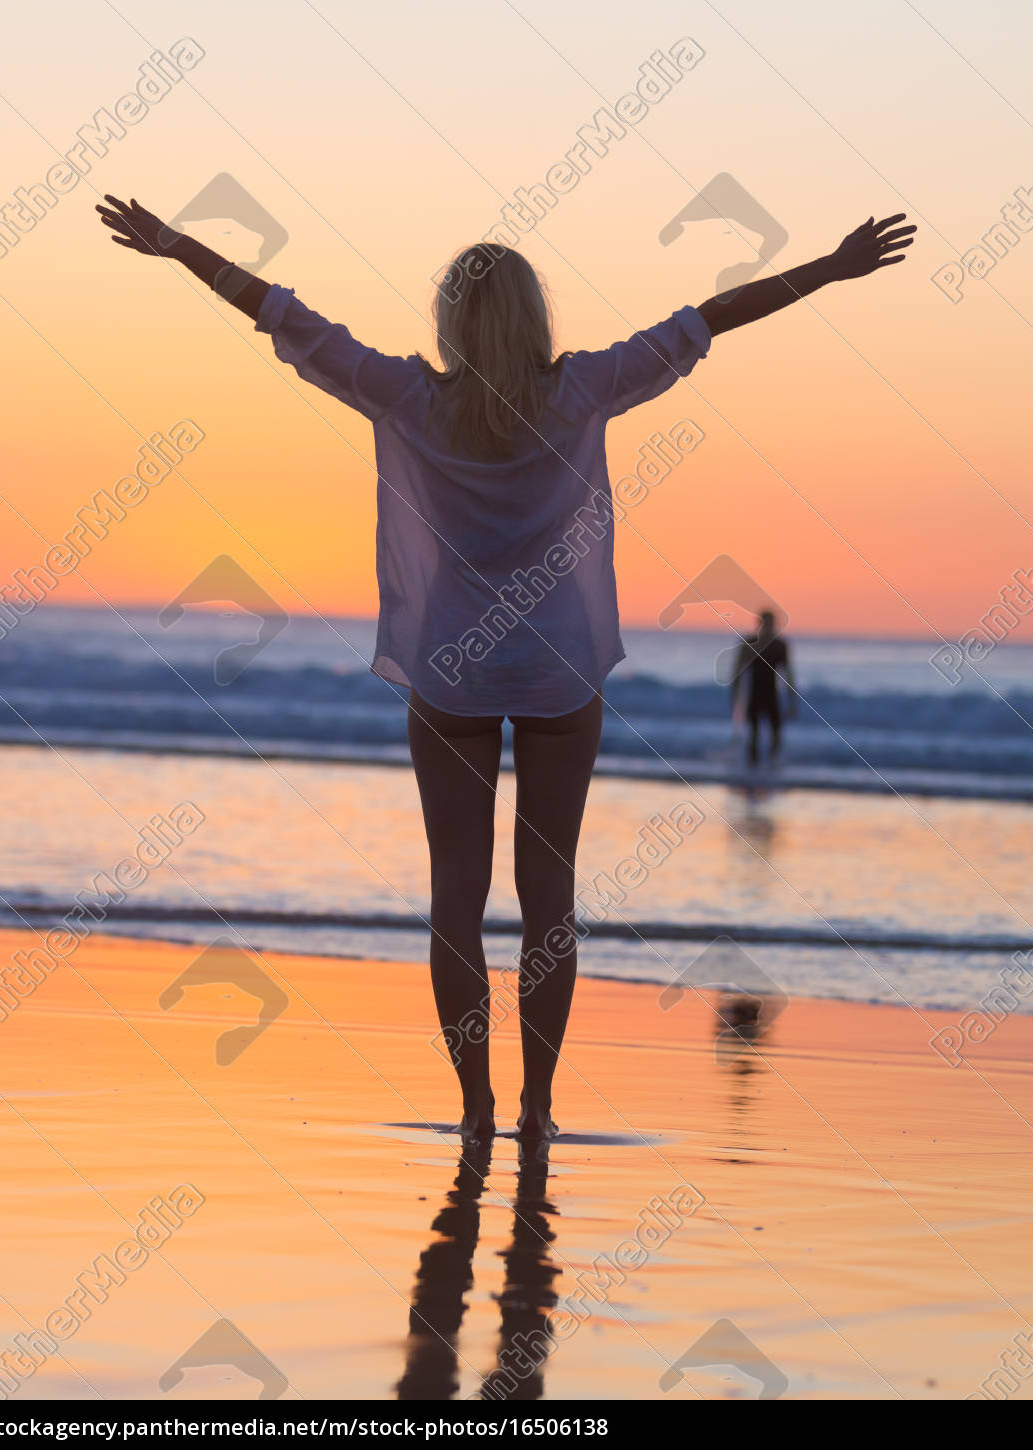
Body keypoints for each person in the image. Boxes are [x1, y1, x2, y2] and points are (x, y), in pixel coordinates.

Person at [95, 194, 916, 1140]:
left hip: (450, 673)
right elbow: (710, 318)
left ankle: (476, 1108)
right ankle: (539, 1108)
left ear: (452, 322)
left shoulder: (408, 396)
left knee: (457, 899)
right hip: (560, 670)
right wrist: (828, 265)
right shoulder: (582, 391)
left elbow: (281, 312)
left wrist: (179, 248)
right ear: (535, 319)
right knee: (549, 905)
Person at [731, 610, 795, 767]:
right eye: (767, 622)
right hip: (754, 694)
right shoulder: (749, 643)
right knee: (754, 732)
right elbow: (737, 672)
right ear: (760, 623)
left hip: (772, 695)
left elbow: (788, 675)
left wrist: (792, 700)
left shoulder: (780, 646)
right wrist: (735, 698)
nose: (770, 626)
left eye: (772, 623)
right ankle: (752, 769)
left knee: (776, 731)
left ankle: (772, 766)